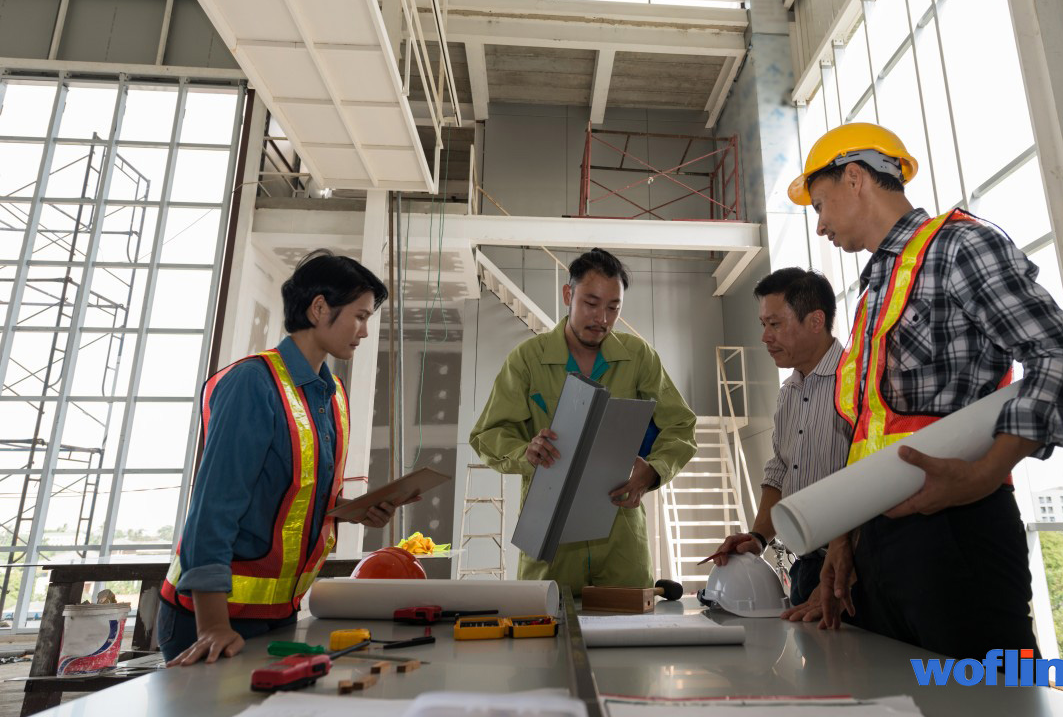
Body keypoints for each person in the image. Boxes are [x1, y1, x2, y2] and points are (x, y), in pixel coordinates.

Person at [784, 122, 1063, 661]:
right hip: (878, 543)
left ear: (854, 177)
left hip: (958, 532)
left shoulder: (960, 247)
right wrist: (845, 537)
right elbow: (871, 430)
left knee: (987, 697)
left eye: (819, 205)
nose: (820, 226)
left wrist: (983, 474)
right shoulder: (876, 289)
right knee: (898, 693)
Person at [159, 250, 412, 665]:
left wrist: (354, 511)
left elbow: (296, 495)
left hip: (278, 614)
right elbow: (213, 508)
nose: (365, 331)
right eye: (360, 316)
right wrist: (212, 626)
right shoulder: (252, 384)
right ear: (319, 309)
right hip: (211, 618)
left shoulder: (332, 394)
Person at [470, 248, 697, 593]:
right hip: (549, 534)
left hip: (621, 534)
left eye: (613, 308)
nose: (602, 318)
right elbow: (488, 434)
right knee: (548, 623)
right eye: (591, 303)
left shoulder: (639, 357)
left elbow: (680, 427)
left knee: (628, 625)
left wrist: (653, 471)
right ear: (568, 295)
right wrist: (524, 452)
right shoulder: (527, 360)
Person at [704, 268, 850, 607]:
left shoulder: (856, 382)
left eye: (775, 324)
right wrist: (758, 538)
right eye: (763, 324)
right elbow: (780, 472)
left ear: (816, 321)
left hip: (849, 568)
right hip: (806, 566)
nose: (764, 337)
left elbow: (874, 482)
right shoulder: (789, 392)